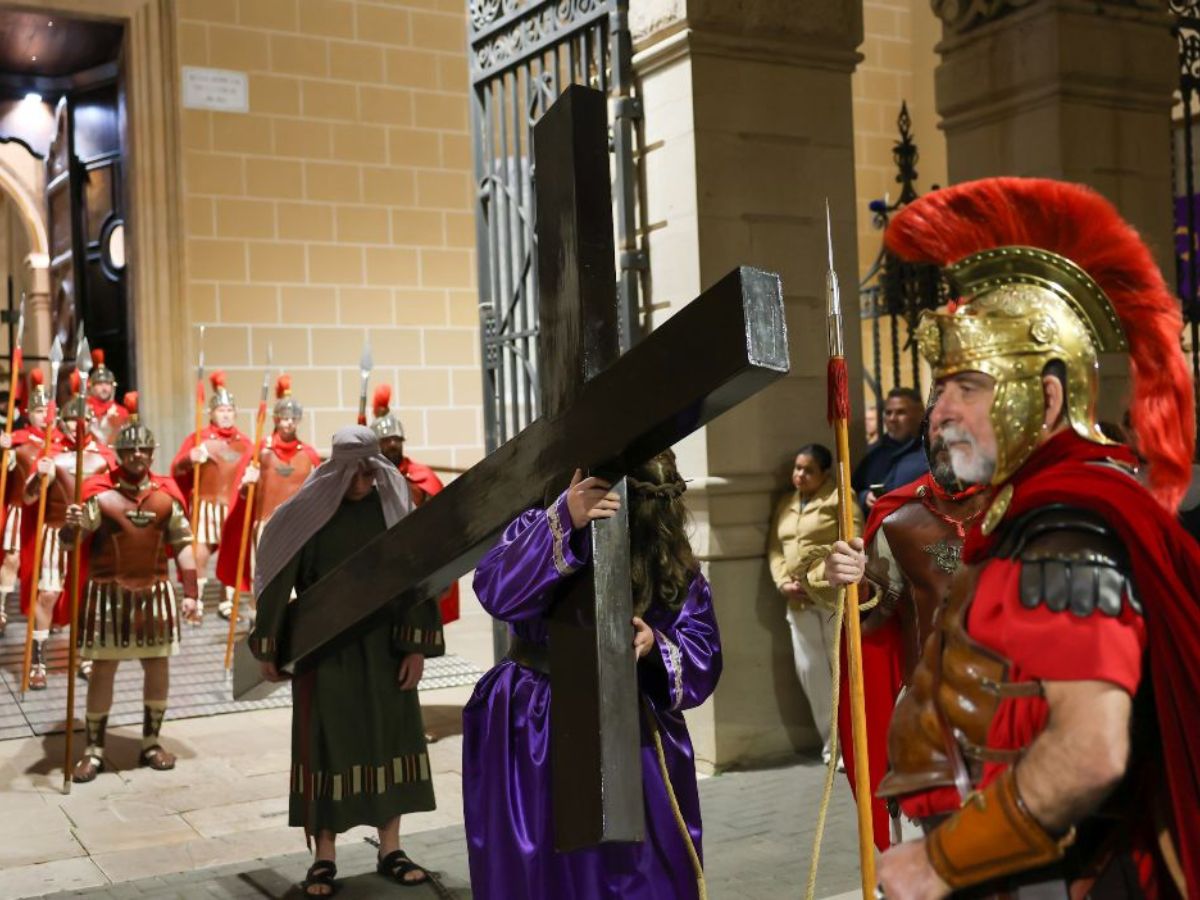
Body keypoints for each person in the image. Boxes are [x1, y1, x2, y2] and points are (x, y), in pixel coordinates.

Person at [830, 178, 1200, 898]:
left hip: (1061, 872)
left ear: (1051, 397)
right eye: (940, 389)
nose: (941, 411)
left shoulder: (1068, 529)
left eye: (968, 386)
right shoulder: (1050, 507)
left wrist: (941, 863)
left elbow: (1090, 750)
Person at [464, 450, 722, 900]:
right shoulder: (545, 520)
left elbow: (703, 654)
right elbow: (495, 588)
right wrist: (566, 518)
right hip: (534, 720)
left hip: (631, 724)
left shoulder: (671, 562)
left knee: (639, 869)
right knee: (542, 865)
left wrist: (656, 648)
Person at [248, 426, 441, 896]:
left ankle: (390, 847)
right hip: (324, 650)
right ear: (336, 467)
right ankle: (324, 856)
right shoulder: (308, 514)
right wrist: (270, 643)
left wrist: (415, 644)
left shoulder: (392, 507)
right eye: (354, 467)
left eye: (369, 467)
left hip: (384, 647)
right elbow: (277, 575)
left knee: (388, 739)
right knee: (327, 746)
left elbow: (416, 574)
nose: (363, 477)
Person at [825, 415, 988, 849]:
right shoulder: (899, 518)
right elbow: (872, 619)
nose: (946, 442)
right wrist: (851, 578)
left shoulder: (1026, 504)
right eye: (936, 432)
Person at [63, 393, 200, 781]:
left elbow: (183, 546)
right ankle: (93, 748)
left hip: (155, 594)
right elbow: (71, 542)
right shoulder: (97, 495)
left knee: (157, 665)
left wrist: (190, 592)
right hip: (107, 595)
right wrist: (70, 525)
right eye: (131, 449)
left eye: (144, 448)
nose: (138, 454)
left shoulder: (166, 497)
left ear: (153, 452)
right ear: (119, 454)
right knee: (103, 669)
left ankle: (150, 743)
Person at [767, 443, 861, 765]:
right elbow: (775, 549)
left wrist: (816, 579)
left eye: (808, 469)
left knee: (840, 671)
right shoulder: (786, 503)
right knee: (813, 674)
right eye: (797, 468)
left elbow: (851, 544)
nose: (799, 475)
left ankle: (852, 744)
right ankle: (831, 744)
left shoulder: (840, 499)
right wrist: (783, 582)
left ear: (824, 473)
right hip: (798, 603)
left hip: (829, 597)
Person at [216, 375, 320, 621]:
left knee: (298, 576)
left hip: (299, 525)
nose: (288, 424)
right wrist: (247, 483)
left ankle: (296, 622)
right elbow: (242, 493)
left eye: (293, 419)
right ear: (275, 419)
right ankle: (260, 622)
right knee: (264, 576)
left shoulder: (308, 454)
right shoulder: (259, 452)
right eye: (284, 418)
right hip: (266, 524)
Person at [370, 383, 459, 625]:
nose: (392, 445)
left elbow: (441, 521)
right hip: (382, 560)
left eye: (396, 439)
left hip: (417, 558)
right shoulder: (368, 478)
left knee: (424, 622)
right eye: (386, 440)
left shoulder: (420, 475)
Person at [171, 371, 250, 624]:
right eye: (221, 410)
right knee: (198, 555)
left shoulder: (245, 443)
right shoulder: (198, 439)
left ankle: (229, 601)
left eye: (229, 410)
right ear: (212, 413)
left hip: (233, 505)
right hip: (205, 505)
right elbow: (176, 470)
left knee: (235, 553)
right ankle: (197, 601)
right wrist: (189, 458)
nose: (225, 414)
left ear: (235, 413)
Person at [851, 387, 925, 509]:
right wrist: (865, 497)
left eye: (901, 412)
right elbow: (853, 492)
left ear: (920, 414)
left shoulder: (933, 454)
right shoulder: (874, 455)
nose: (892, 419)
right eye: (888, 413)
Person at [85, 349, 127, 447]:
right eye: (99, 384)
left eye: (107, 384)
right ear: (91, 387)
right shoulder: (85, 410)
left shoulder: (121, 412)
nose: (104, 388)